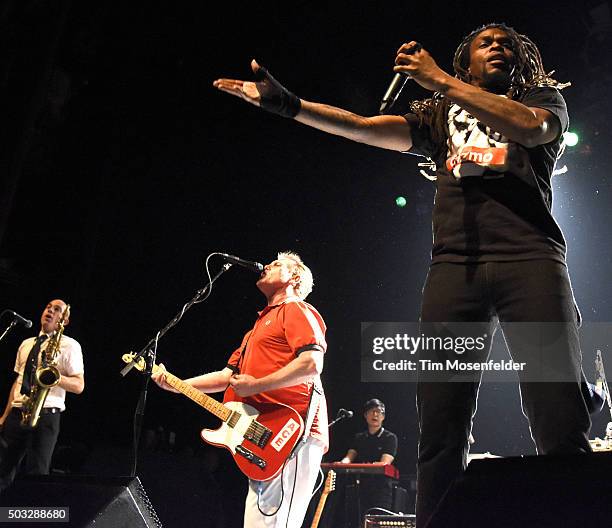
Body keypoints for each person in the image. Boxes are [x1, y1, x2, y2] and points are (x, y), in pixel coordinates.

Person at [213, 22, 592, 527]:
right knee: (440, 422)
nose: (498, 46)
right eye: (487, 42)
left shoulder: (540, 99)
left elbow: (531, 128)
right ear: (467, 62)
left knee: (557, 409)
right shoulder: (441, 115)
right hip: (454, 269)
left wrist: (438, 79)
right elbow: (365, 127)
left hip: (532, 261)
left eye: (507, 42)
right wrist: (292, 106)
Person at [152, 251, 328, 528]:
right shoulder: (256, 328)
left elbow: (311, 363)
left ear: (294, 278)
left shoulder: (296, 309)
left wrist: (256, 386)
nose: (267, 265)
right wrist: (176, 385)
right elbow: (227, 377)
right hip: (261, 436)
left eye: (277, 264)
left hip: (291, 433)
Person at [0, 299, 84, 491]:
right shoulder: (26, 344)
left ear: (65, 321)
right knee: (3, 471)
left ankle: (33, 519)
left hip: (46, 415)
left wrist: (52, 376)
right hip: (18, 412)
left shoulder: (70, 346)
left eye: (57, 310)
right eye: (48, 307)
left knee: (37, 475)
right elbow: (18, 382)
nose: (50, 311)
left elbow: (79, 385)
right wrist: (4, 416)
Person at [340, 398, 398, 518]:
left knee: (378, 520)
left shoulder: (390, 438)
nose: (375, 414)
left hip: (382, 488)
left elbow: (385, 462)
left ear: (383, 416)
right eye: (371, 411)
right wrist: (341, 464)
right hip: (361, 486)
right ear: (365, 415)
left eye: (379, 412)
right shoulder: (359, 437)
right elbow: (349, 457)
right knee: (360, 519)